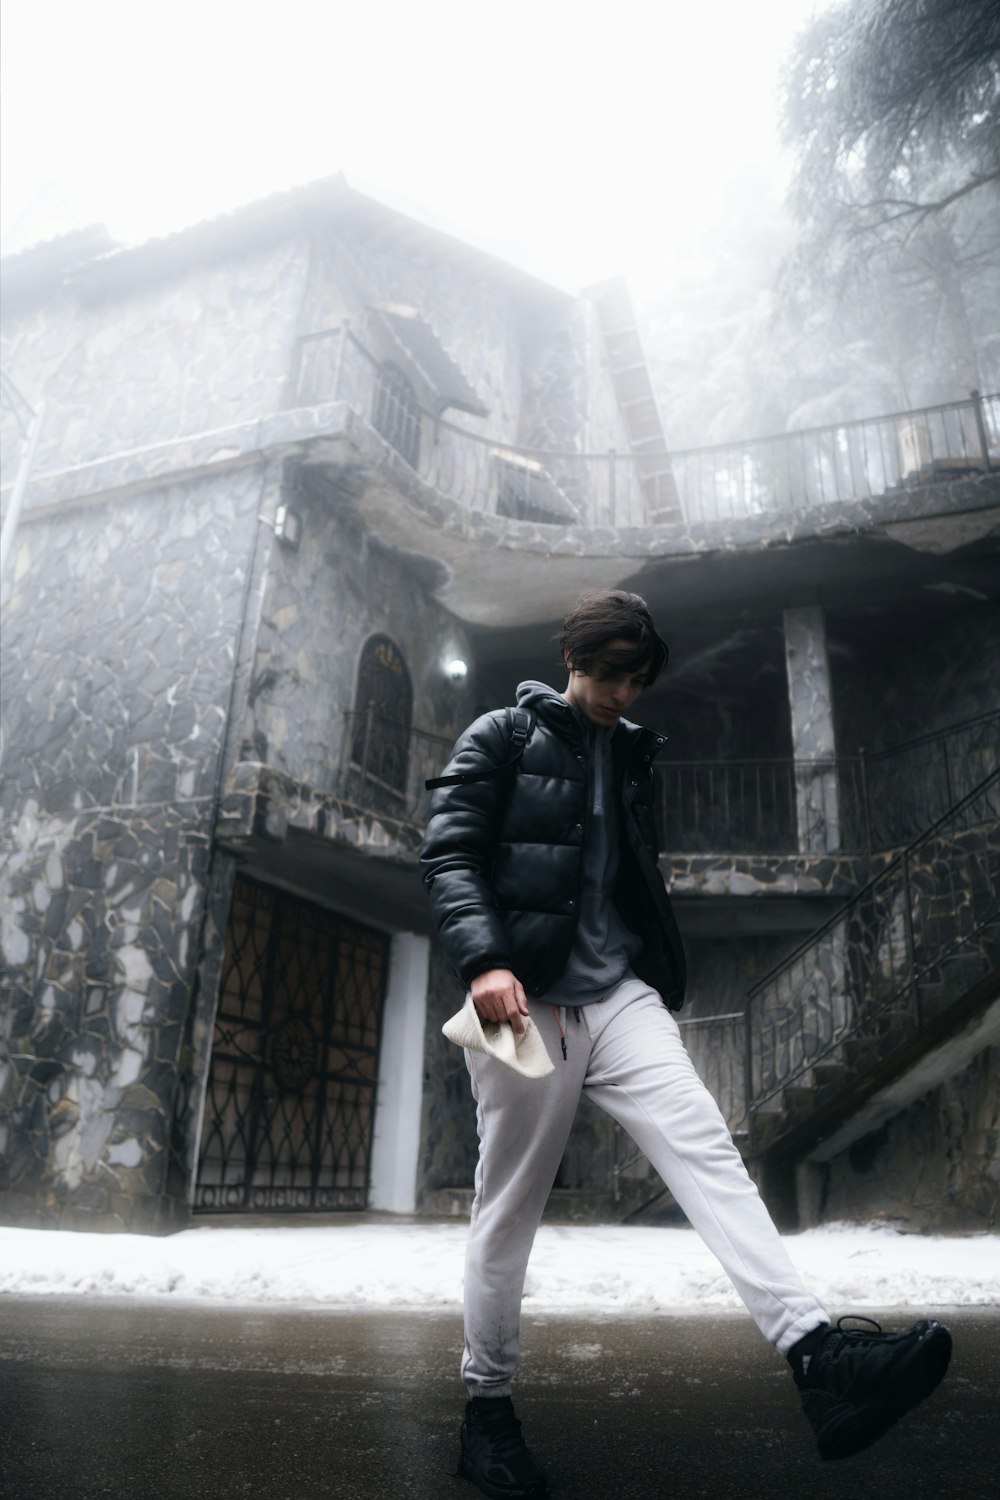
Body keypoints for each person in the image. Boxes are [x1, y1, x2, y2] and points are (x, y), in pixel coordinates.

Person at [420, 588, 951, 1499]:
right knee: (508, 1208)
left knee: (707, 1149)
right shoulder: (501, 735)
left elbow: (624, 877)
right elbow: (451, 854)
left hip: (619, 993)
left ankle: (818, 1359)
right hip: (521, 999)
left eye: (638, 679)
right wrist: (484, 961)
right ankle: (487, 1412)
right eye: (612, 673)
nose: (625, 693)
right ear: (576, 657)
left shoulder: (633, 757)